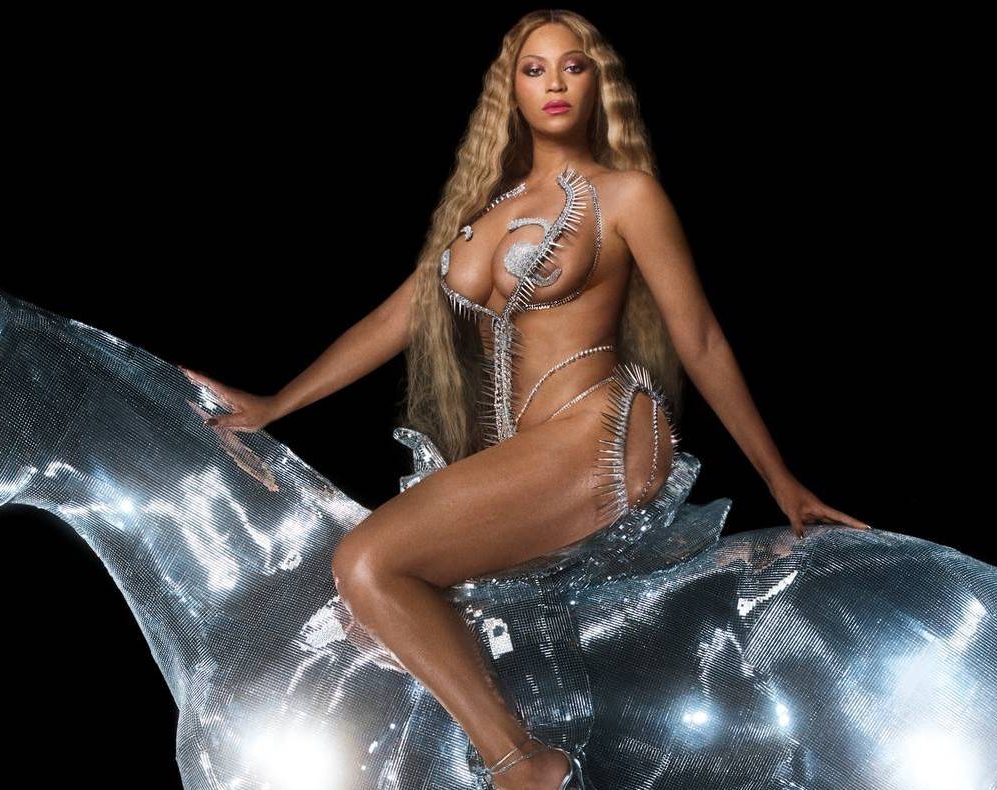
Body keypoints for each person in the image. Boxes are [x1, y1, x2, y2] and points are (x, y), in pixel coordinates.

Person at [180, 10, 870, 789]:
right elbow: (391, 321)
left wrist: (780, 479)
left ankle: (524, 767)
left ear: (599, 84)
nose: (554, 84)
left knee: (368, 561)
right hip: (534, 450)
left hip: (603, 433)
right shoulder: (487, 212)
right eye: (534, 70)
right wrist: (277, 403)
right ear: (510, 89)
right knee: (364, 606)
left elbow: (701, 339)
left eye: (573, 67)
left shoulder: (627, 195)